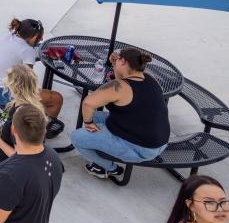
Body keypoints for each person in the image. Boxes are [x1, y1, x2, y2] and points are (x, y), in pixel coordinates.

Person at [72, 46, 170, 180]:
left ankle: (110, 168)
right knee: (95, 116)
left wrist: (88, 123)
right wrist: (115, 65)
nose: (115, 62)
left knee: (77, 137)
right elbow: (123, 78)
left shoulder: (121, 87)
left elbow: (88, 103)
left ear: (123, 61)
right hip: (158, 141)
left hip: (141, 149)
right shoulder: (149, 78)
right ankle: (102, 145)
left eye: (117, 60)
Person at [0, 19, 64, 120]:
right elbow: (27, 82)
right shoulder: (28, 51)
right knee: (56, 98)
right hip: (0, 93)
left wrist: (1, 63)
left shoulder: (6, 35)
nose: (41, 39)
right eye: (39, 37)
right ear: (34, 37)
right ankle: (40, 128)